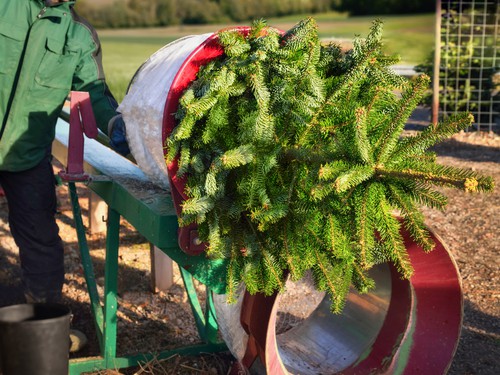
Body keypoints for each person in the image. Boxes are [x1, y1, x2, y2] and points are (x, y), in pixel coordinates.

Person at [0, 0, 128, 314]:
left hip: (26, 156)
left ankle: (41, 321)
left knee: (41, 243)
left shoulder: (80, 36)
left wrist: (118, 125)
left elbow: (95, 92)